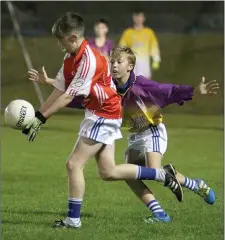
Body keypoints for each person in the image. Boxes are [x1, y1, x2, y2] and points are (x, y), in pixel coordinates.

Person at [24, 12, 183, 228]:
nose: (59, 45)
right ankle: (161, 177)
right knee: (109, 172)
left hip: (103, 113)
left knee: (73, 164)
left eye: (60, 40)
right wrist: (36, 116)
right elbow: (58, 90)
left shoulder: (88, 59)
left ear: (72, 38)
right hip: (100, 113)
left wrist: (41, 118)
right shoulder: (70, 59)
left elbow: (69, 96)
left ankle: (73, 220)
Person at [110, 46, 217, 223]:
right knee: (129, 175)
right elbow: (84, 94)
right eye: (112, 61)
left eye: (119, 62)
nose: (114, 65)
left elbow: (169, 90)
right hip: (135, 136)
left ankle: (193, 187)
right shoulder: (110, 87)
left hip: (152, 130)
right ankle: (161, 213)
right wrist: (55, 84)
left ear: (130, 66)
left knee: (154, 171)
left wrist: (194, 92)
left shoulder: (142, 84)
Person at [119, 10, 160, 79]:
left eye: (140, 16)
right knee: (133, 87)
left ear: (144, 18)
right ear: (133, 18)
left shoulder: (149, 32)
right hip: (132, 66)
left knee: (146, 86)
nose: (138, 19)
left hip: (145, 66)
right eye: (136, 17)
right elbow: (122, 48)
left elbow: (154, 46)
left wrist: (156, 60)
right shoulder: (127, 33)